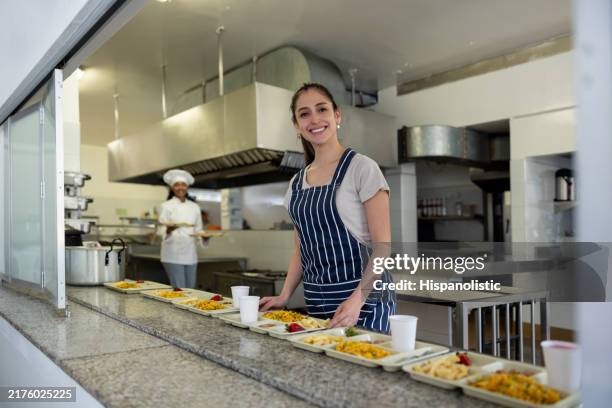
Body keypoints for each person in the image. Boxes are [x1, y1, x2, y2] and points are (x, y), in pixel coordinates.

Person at [260, 83, 396, 333]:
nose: (314, 119)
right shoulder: (296, 184)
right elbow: (301, 250)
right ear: (296, 125)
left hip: (364, 303)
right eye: (304, 113)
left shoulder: (362, 168)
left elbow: (383, 247)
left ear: (337, 115)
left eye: (321, 109)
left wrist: (358, 300)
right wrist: (284, 296)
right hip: (318, 302)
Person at [157, 169, 204, 288]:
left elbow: (199, 230)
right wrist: (168, 229)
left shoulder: (195, 207)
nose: (180, 188)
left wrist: (205, 238)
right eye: (176, 185)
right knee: (180, 291)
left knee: (191, 290)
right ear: (172, 188)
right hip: (173, 255)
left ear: (187, 187)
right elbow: (160, 231)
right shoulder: (166, 206)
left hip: (191, 255)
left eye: (183, 184)